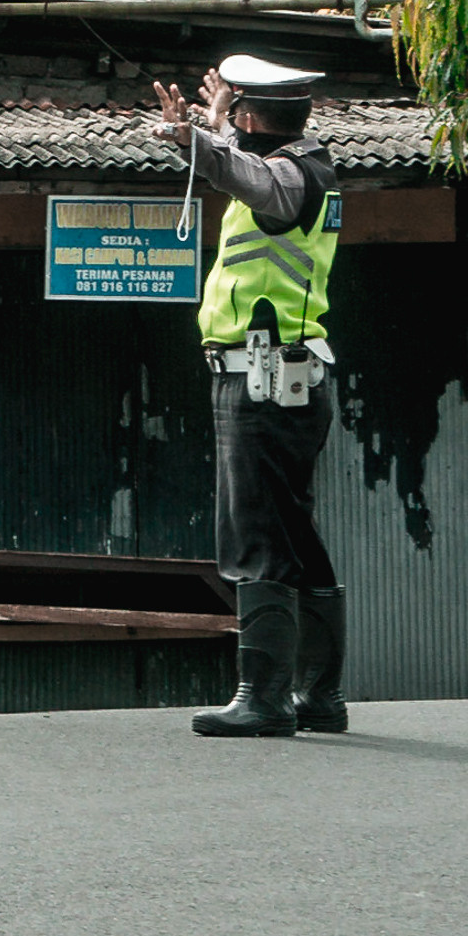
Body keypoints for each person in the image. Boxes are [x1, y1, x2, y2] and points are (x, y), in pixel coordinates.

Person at [155, 54, 347, 738]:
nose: (233, 120)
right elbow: (249, 167)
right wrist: (214, 132)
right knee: (294, 534)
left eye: (240, 111)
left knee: (257, 532)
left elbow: (251, 177)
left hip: (263, 380)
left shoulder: (291, 177)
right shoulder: (310, 168)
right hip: (285, 379)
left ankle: (263, 696)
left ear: (257, 116)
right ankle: (319, 696)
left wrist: (196, 142)